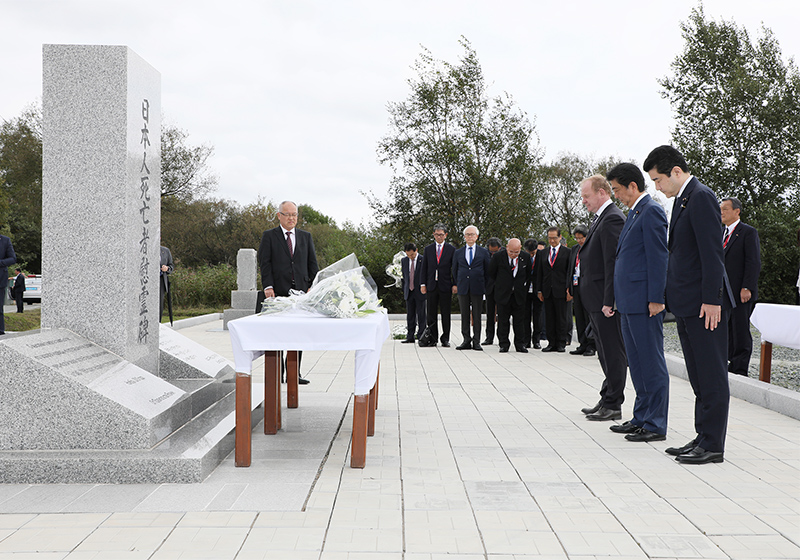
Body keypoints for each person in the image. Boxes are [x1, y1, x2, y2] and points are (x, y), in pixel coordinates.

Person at [644, 145, 733, 464]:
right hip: (687, 303)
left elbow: (712, 253)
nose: (656, 186)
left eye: (658, 180)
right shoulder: (684, 199)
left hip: (703, 305)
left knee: (710, 374)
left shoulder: (701, 196)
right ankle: (703, 436)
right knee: (698, 374)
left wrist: (712, 300)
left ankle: (713, 445)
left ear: (676, 172)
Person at [607, 163, 670, 442]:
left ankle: (655, 423)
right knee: (637, 362)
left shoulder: (652, 211)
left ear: (633, 186)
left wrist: (657, 299)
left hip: (645, 303)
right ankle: (641, 417)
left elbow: (659, 258)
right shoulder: (634, 212)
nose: (616, 195)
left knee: (651, 362)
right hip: (629, 302)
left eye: (618, 190)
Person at [578, 175, 627, 421]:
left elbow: (613, 265)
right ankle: (607, 396)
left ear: (602, 192)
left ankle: (613, 403)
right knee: (604, 352)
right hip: (595, 299)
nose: (584, 201)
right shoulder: (602, 218)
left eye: (587, 196)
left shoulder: (613, 219)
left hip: (604, 301)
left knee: (613, 351)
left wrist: (610, 300)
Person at [258, 200, 320, 384]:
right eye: (288, 214)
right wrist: (268, 286)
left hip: (301, 294)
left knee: (298, 333)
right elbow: (265, 263)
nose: (292, 218)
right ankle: (279, 373)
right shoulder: (269, 236)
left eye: (294, 215)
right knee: (278, 333)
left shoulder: (305, 236)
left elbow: (312, 264)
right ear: (279, 216)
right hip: (277, 293)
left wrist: (312, 286)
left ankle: (295, 373)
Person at [720, 197, 761, 376]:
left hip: (740, 290)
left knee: (740, 328)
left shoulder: (747, 232)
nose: (721, 213)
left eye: (725, 209)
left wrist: (747, 287)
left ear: (737, 211)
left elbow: (753, 261)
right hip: (723, 291)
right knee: (726, 328)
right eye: (720, 209)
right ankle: (729, 361)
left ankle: (740, 366)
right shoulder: (720, 233)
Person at [489, 238, 532, 353]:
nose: (513, 254)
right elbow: (492, 274)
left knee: (520, 321)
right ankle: (503, 344)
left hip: (519, 295)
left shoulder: (526, 257)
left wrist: (523, 289)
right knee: (503, 320)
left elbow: (528, 275)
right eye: (511, 252)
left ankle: (520, 344)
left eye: (516, 252)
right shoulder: (498, 257)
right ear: (507, 247)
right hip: (503, 294)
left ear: (520, 248)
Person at [452, 225, 491, 351]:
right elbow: (454, 270)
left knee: (477, 315)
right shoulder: (458, 252)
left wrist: (485, 286)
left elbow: (487, 270)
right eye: (467, 234)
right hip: (463, 287)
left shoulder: (483, 252)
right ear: (464, 237)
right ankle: (466, 340)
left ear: (477, 236)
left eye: (472, 234)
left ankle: (476, 341)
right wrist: (457, 283)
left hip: (478, 287)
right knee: (464, 315)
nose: (470, 236)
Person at [420, 224, 456, 347]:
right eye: (436, 234)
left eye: (441, 234)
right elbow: (424, 268)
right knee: (431, 313)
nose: (439, 236)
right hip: (431, 285)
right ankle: (432, 338)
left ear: (445, 235)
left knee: (446, 313)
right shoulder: (428, 249)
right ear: (434, 235)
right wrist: (423, 284)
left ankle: (445, 338)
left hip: (445, 285)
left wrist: (454, 283)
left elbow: (454, 268)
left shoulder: (451, 249)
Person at [536, 228, 571, 352]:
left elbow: (569, 272)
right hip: (547, 290)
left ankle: (561, 342)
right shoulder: (543, 253)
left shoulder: (567, 252)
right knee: (549, 317)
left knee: (561, 317)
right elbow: (539, 272)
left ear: (560, 237)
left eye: (554, 238)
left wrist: (569, 289)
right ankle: (551, 343)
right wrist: (539, 290)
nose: (552, 240)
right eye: (549, 238)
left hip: (561, 289)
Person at [568, 225, 596, 357]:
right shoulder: (574, 249)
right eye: (577, 238)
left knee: (588, 316)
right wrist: (569, 287)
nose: (579, 241)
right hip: (576, 285)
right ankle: (582, 344)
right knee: (578, 316)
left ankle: (591, 345)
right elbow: (570, 268)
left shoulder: (592, 247)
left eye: (581, 238)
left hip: (589, 287)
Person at [401, 242, 426, 344]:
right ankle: (410, 336)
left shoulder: (423, 260)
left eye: (412, 254)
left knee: (421, 314)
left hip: (420, 291)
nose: (410, 257)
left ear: (416, 250)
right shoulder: (404, 261)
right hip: (409, 291)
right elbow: (404, 276)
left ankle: (421, 336)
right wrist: (405, 289)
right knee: (410, 315)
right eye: (408, 255)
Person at [481, 237, 503, 345]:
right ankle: (489, 337)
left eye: (496, 251)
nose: (493, 253)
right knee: (490, 314)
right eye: (491, 251)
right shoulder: (485, 254)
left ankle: (501, 338)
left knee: (502, 314)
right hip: (489, 287)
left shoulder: (504, 254)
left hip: (501, 288)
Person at [524, 239, 544, 349]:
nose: (531, 255)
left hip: (538, 290)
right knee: (525, 316)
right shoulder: (524, 256)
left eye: (533, 253)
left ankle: (536, 340)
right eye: (529, 252)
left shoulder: (542, 255)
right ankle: (526, 340)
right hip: (526, 289)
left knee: (538, 315)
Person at [0, 233, 16, 335]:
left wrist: (1, 263)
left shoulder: (5, 240)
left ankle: (0, 331)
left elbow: (13, 258)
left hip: (0, 278)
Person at [159, 246, 174, 322]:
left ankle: (158, 323)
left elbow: (171, 266)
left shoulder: (165, 251)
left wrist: (167, 268)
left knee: (159, 304)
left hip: (161, 280)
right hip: (147, 280)